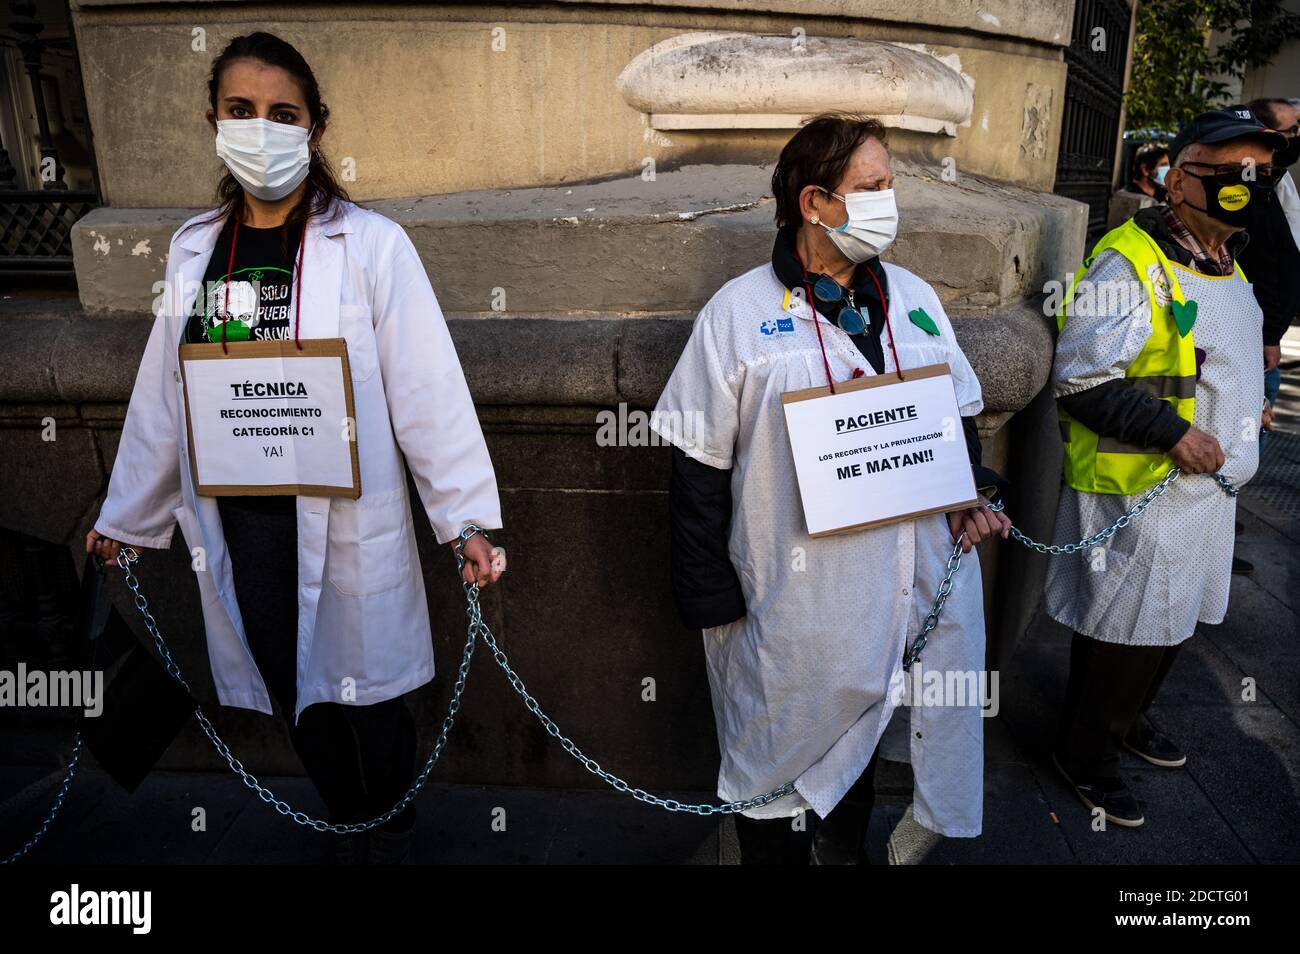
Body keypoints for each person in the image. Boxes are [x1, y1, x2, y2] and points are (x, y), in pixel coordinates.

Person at [85, 33, 504, 864]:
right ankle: (346, 816)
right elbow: (165, 396)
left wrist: (467, 521)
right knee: (292, 691)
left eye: (284, 114)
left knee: (374, 698)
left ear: (313, 129)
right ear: (214, 120)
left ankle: (390, 816)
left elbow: (429, 392)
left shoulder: (373, 246)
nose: (261, 129)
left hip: (349, 515)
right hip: (244, 525)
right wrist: (126, 518)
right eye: (241, 111)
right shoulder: (195, 250)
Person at [651, 114, 1009, 865]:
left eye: (890, 184)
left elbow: (955, 417)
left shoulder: (911, 296)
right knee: (777, 757)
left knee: (867, 748)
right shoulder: (740, 314)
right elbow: (696, 467)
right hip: (795, 601)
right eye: (873, 187)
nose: (890, 200)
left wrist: (973, 492)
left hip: (912, 578)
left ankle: (843, 852)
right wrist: (710, 596)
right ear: (815, 202)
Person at [1046, 108, 1280, 827]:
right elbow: (1082, 376)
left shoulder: (1225, 258)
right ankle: (1086, 756)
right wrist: (1178, 435)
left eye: (1261, 176)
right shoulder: (1130, 261)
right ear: (1178, 181)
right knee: (1124, 626)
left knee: (1173, 622)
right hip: (1145, 484)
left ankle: (1129, 720)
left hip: (1206, 493)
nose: (1250, 187)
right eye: (1233, 174)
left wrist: (1246, 409)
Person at [1243, 97, 1300, 454]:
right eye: (1292, 129)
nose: (1298, 136)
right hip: (1258, 344)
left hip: (1266, 339)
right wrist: (1269, 334)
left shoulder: (1275, 179)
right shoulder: (1247, 189)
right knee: (1245, 447)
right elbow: (1263, 266)